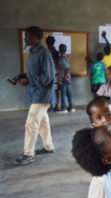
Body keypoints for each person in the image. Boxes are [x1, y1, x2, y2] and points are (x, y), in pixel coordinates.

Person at [15, 26, 56, 165]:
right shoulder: (33, 52)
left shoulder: (43, 52)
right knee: (43, 122)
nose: (25, 38)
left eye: (27, 36)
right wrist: (21, 76)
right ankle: (48, 147)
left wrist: (29, 80)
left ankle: (28, 154)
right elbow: (34, 73)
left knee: (31, 123)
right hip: (36, 93)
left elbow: (48, 76)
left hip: (43, 94)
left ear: (36, 38)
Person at [57, 44, 75, 113]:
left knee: (63, 93)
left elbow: (67, 68)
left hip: (64, 78)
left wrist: (64, 77)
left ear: (60, 49)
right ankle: (71, 107)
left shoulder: (62, 58)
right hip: (67, 78)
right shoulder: (66, 56)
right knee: (68, 93)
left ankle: (63, 108)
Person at [45, 36, 60, 112]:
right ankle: (56, 106)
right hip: (55, 73)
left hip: (47, 73)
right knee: (56, 89)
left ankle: (50, 106)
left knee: (49, 89)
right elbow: (58, 63)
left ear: (46, 43)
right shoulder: (56, 52)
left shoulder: (45, 51)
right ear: (54, 42)